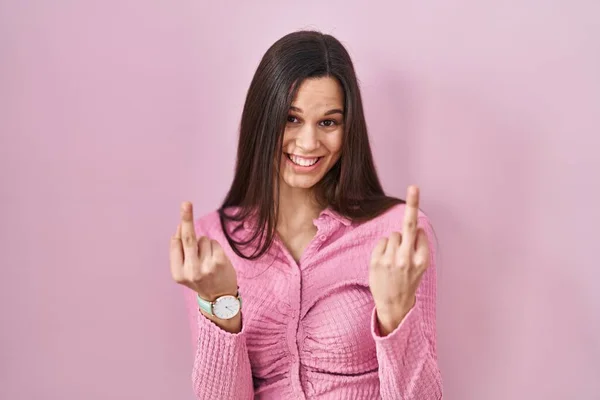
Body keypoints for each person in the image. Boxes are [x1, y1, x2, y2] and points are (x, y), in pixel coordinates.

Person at [169, 30, 442, 399]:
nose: (309, 142)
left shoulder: (396, 237)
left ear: (349, 129)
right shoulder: (211, 243)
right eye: (292, 119)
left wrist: (395, 316)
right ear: (262, 121)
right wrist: (220, 304)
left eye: (328, 122)